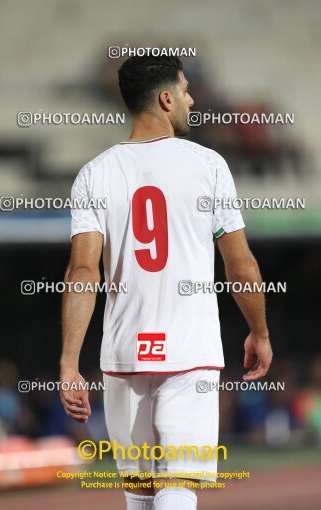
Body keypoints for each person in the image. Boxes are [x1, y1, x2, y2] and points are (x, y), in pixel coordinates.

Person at [59, 55, 273, 510]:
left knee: (140, 491)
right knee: (180, 482)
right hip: (189, 351)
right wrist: (259, 332)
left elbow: (82, 273)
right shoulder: (209, 165)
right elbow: (241, 267)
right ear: (165, 98)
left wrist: (68, 361)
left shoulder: (94, 174)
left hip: (123, 354)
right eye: (186, 89)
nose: (193, 99)